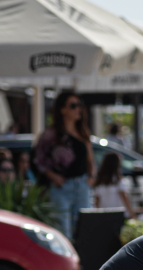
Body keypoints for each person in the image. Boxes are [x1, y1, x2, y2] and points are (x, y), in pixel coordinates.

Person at [33, 90, 95, 237]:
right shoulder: (50, 135)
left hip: (82, 187)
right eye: (73, 105)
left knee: (83, 233)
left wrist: (91, 177)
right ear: (62, 109)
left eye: (79, 105)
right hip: (61, 189)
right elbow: (37, 160)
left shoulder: (83, 132)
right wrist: (53, 176)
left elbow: (90, 160)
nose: (78, 109)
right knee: (63, 233)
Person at [93, 152, 135, 216]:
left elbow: (97, 201)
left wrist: (97, 215)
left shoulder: (99, 180)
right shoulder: (117, 180)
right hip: (118, 215)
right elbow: (124, 197)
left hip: (104, 215)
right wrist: (132, 214)